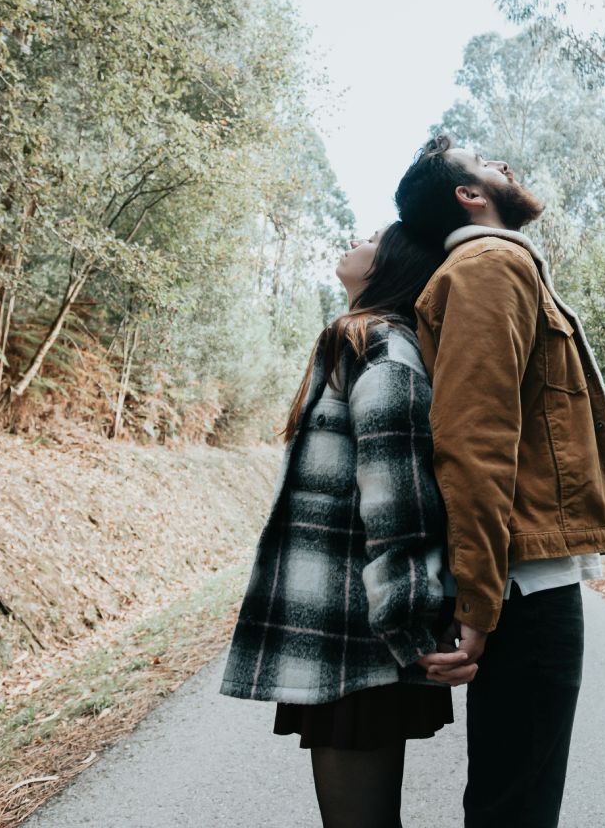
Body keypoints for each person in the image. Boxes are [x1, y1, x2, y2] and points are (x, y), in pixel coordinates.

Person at [395, 134, 605, 828]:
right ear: (470, 196)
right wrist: (478, 604)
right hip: (523, 586)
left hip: (521, 577)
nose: (504, 166)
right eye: (485, 164)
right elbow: (475, 440)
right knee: (518, 807)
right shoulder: (488, 267)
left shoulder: (496, 267)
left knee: (513, 798)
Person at [220, 221, 470, 828]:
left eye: (377, 235)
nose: (359, 234)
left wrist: (409, 632)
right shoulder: (362, 344)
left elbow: (399, 508)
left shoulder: (380, 349)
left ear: (394, 265)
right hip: (352, 637)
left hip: (361, 639)